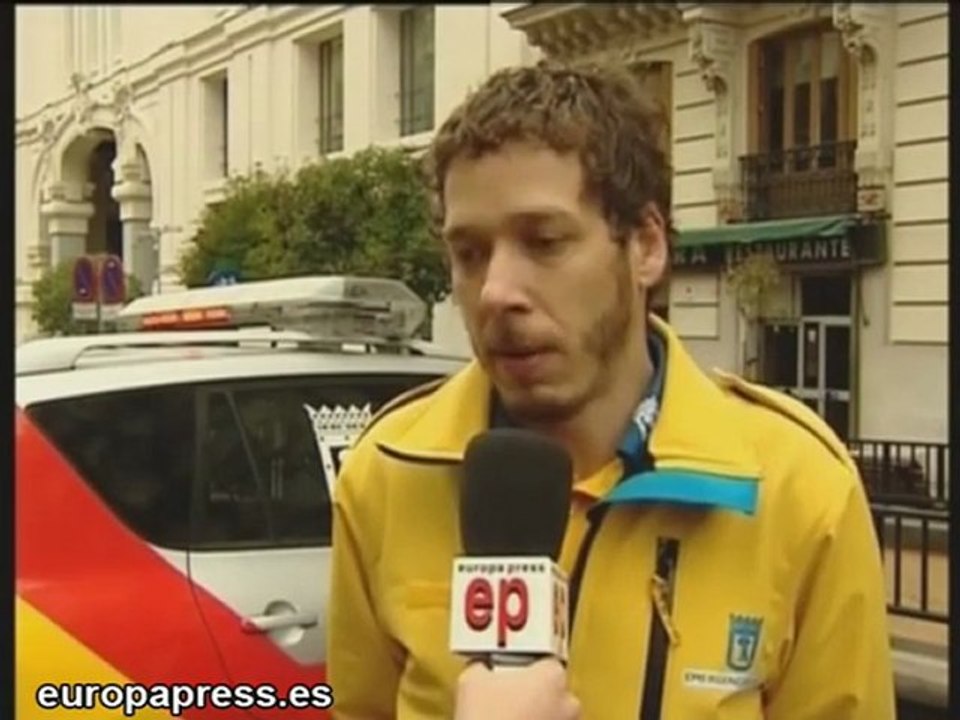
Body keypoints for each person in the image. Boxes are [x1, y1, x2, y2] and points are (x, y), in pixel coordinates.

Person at [327, 60, 895, 719]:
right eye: (470, 253)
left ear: (645, 246)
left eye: (543, 241)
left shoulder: (800, 490)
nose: (496, 292)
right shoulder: (384, 474)